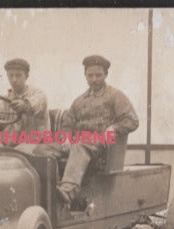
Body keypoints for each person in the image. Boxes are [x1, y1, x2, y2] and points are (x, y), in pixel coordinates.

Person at [34, 55, 139, 205]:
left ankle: (68, 190)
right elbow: (67, 125)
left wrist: (114, 128)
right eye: (90, 75)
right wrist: (66, 138)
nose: (94, 79)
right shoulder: (79, 101)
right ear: (85, 75)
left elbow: (132, 120)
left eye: (98, 75)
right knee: (41, 149)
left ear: (106, 75)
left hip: (103, 146)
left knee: (80, 144)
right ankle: (48, 189)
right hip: (79, 145)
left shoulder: (116, 96)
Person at [0, 58, 50, 152]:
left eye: (18, 75)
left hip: (33, 142)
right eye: (11, 75)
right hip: (10, 143)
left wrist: (24, 105)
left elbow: (33, 105)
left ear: (26, 76)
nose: (14, 79)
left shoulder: (38, 95)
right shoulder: (6, 99)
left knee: (16, 155)